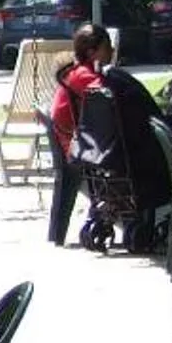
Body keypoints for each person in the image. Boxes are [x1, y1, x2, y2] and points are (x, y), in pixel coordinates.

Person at [46, 24, 111, 245]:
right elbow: (110, 97)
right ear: (92, 52)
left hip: (68, 140)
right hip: (77, 147)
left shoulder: (74, 71)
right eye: (107, 47)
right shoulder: (85, 76)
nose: (111, 51)